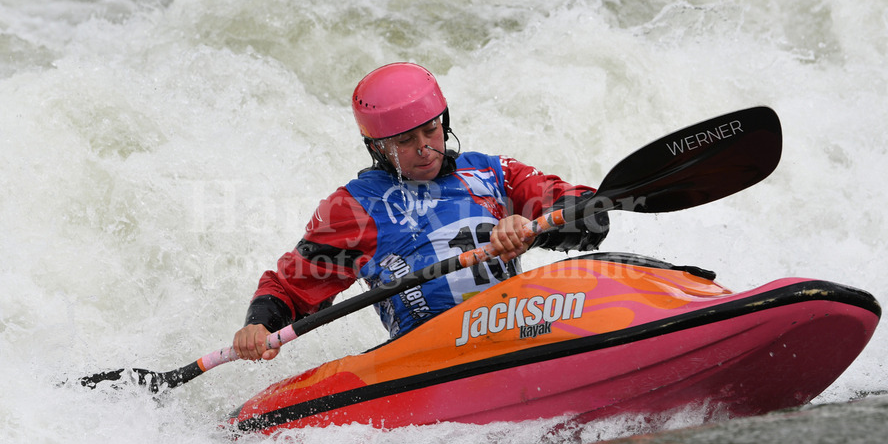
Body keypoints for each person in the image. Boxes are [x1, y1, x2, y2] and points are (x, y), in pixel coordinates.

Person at [233, 63, 608, 361]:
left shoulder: (493, 173)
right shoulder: (354, 207)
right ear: (377, 147)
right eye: (404, 141)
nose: (425, 148)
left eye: (431, 131)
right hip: (430, 354)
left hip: (518, 327)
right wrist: (258, 326)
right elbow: (290, 288)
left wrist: (533, 228)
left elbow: (589, 213)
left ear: (443, 123)